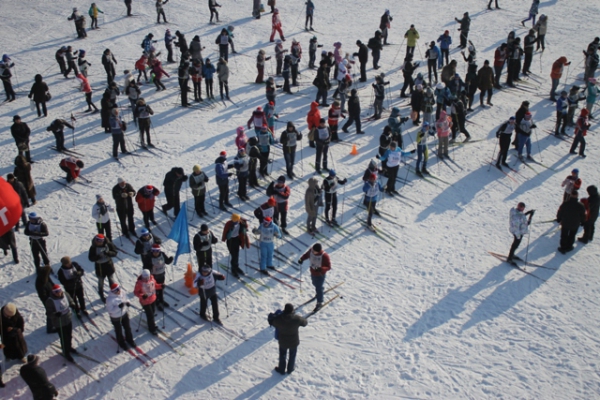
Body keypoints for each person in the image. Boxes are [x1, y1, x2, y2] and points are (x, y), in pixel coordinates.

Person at [268, 303, 308, 375]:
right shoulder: (296, 319)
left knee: (282, 355)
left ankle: (281, 369)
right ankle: (290, 369)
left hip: (283, 341)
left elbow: (272, 322)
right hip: (294, 341)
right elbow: (305, 323)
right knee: (292, 355)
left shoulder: (279, 319)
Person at [45, 284, 77, 361]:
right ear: (53, 292)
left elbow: (70, 300)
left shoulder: (65, 294)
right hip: (59, 322)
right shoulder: (50, 301)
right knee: (63, 338)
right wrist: (55, 314)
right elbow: (48, 313)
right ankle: (66, 352)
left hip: (68, 318)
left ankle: (69, 347)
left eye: (59, 291)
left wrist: (72, 304)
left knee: (69, 335)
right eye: (56, 292)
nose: (58, 293)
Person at [298, 243, 331, 311]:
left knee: (318, 287)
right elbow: (306, 255)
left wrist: (321, 269)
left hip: (320, 274)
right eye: (312, 250)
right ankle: (320, 290)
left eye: (314, 251)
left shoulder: (324, 256)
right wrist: (301, 259)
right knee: (314, 284)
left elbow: (328, 267)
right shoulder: (311, 251)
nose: (312, 252)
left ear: (318, 251)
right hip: (313, 272)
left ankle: (320, 302)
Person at [105, 283, 136, 350]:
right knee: (118, 330)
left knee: (127, 327)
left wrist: (128, 302)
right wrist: (119, 307)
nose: (118, 291)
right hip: (115, 317)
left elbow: (127, 298)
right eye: (115, 291)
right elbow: (110, 310)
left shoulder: (122, 292)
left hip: (124, 313)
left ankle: (129, 340)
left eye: (118, 289)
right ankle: (121, 342)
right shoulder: (109, 299)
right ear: (112, 291)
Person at [88, 234, 118, 303]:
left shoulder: (108, 244)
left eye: (101, 241)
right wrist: (97, 257)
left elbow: (115, 252)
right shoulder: (93, 247)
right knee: (101, 281)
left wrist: (108, 253)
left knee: (111, 280)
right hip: (100, 267)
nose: (99, 242)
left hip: (108, 265)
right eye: (97, 241)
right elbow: (90, 258)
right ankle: (101, 293)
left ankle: (114, 293)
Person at [556, 190, 586, 254]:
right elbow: (583, 215)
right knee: (572, 235)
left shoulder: (565, 203)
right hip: (575, 223)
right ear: (577, 196)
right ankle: (569, 246)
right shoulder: (580, 205)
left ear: (571, 195)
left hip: (565, 222)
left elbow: (560, 211)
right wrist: (583, 222)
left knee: (564, 235)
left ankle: (563, 247)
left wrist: (559, 218)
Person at [134, 269, 160, 335]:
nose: (146, 279)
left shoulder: (152, 279)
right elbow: (136, 292)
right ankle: (152, 328)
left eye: (147, 277)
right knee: (150, 315)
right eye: (145, 278)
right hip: (145, 301)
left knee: (153, 312)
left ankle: (152, 324)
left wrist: (160, 286)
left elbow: (155, 286)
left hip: (152, 299)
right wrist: (142, 296)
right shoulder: (139, 283)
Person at [148, 244, 173, 311]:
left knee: (161, 288)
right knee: (155, 290)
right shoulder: (149, 257)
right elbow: (145, 267)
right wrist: (148, 268)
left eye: (157, 251)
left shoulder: (162, 254)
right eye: (154, 251)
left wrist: (170, 260)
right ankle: (157, 302)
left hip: (161, 275)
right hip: (154, 276)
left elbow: (167, 261)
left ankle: (161, 300)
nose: (155, 253)